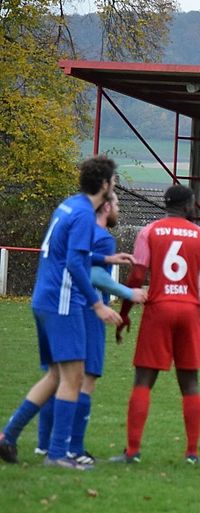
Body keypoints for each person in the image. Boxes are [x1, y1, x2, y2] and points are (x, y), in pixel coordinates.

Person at [0, 156, 125, 469]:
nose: (114, 185)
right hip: (62, 301)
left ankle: (8, 436)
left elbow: (66, 252)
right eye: (113, 181)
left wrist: (105, 260)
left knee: (56, 374)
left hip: (44, 297)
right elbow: (73, 263)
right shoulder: (84, 215)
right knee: (74, 376)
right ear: (105, 184)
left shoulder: (69, 205)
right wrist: (97, 304)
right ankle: (57, 454)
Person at [111, 184, 200, 465]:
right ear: (188, 205)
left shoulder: (149, 231)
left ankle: (132, 451)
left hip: (158, 309)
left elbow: (136, 276)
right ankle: (192, 453)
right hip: (188, 311)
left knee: (143, 381)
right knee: (190, 383)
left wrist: (125, 312)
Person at [34, 193, 146, 463]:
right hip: (88, 309)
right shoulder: (103, 237)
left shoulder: (76, 225)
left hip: (63, 305)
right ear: (106, 206)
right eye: (116, 204)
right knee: (86, 378)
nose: (118, 209)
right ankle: (74, 448)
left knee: (59, 377)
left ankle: (44, 444)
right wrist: (128, 293)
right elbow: (92, 274)